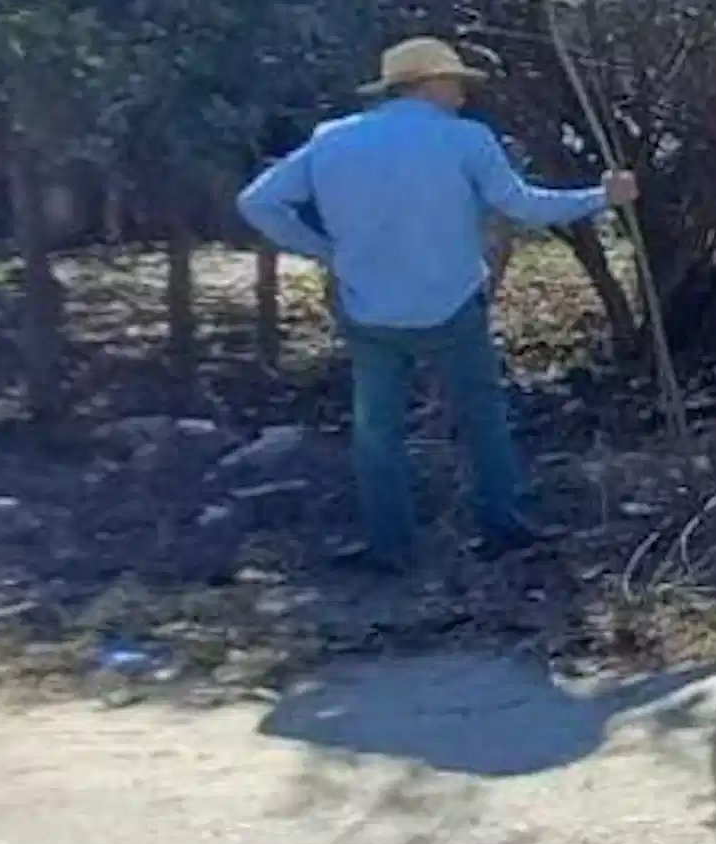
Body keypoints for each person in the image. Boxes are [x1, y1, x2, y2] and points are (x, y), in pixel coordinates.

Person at [239, 38, 638, 568]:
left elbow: (257, 202)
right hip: (452, 305)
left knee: (378, 432)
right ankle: (503, 527)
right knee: (483, 418)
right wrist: (602, 197)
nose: (462, 93)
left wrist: (326, 251)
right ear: (430, 84)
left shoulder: (331, 140)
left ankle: (392, 547)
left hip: (369, 309)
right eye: (455, 83)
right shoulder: (466, 139)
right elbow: (520, 205)